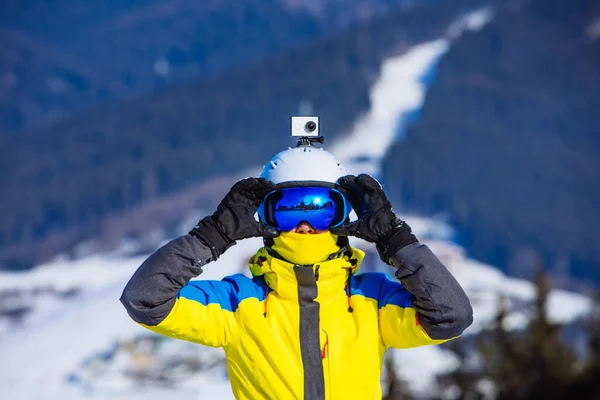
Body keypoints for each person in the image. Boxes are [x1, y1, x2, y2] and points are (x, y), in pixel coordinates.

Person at [120, 143, 473, 400]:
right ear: (267, 219)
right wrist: (212, 236)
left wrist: (396, 239)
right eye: (290, 211)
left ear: (342, 219)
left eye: (320, 210)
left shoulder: (373, 302)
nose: (304, 226)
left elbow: (450, 316)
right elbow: (145, 300)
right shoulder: (236, 304)